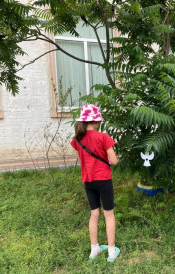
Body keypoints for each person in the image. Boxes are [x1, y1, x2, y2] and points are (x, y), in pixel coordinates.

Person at [70, 104, 120, 262]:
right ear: (97, 121)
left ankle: (94, 249)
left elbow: (81, 160)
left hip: (88, 181)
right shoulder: (103, 137)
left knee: (94, 214)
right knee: (109, 214)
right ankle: (111, 251)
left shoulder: (77, 140)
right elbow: (114, 161)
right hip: (103, 180)